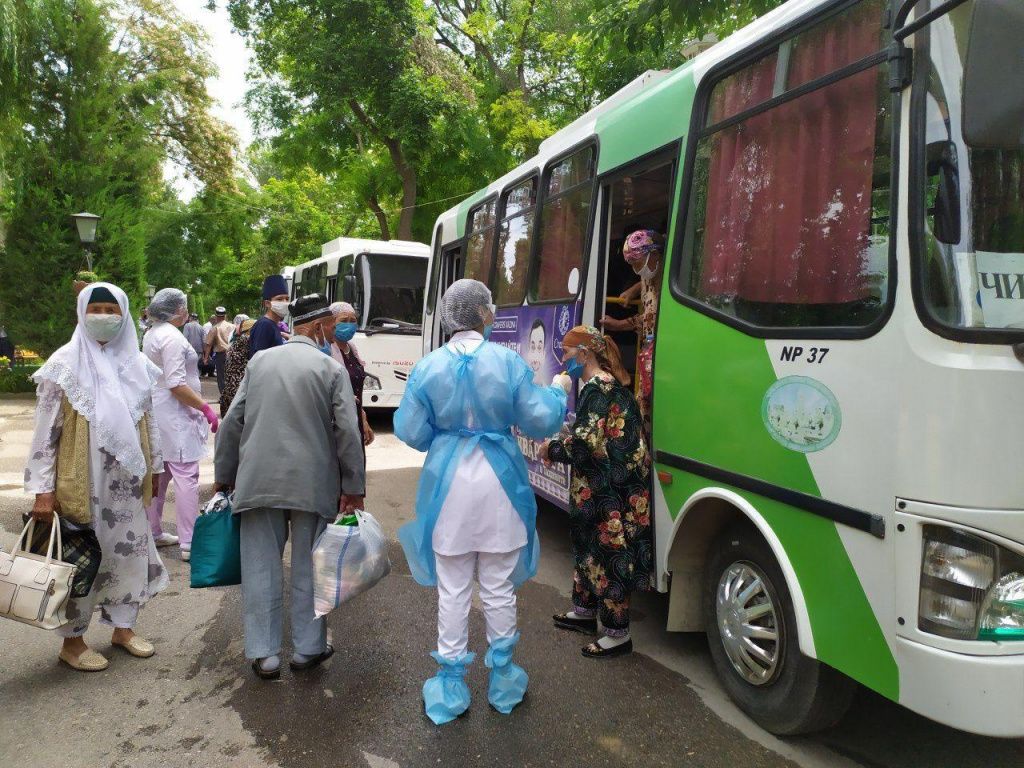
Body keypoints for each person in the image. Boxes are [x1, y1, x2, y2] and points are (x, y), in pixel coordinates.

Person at [394, 279, 569, 725]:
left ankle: (450, 687)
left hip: (448, 484)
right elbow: (541, 418)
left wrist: (448, 433)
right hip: (500, 484)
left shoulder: (428, 366)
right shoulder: (507, 361)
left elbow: (411, 431)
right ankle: (504, 680)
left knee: (452, 588)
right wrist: (560, 391)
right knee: (497, 585)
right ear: (484, 314)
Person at [214, 293, 365, 680]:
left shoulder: (260, 361)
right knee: (309, 565)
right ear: (316, 327)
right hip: (313, 482)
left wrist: (224, 474)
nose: (334, 333)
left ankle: (264, 655)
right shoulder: (330, 368)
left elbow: (232, 421)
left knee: (261, 565)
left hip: (258, 480)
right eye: (332, 326)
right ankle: (308, 649)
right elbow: (348, 430)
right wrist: (353, 487)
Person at [24, 283, 169, 672]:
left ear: (124, 315)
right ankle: (73, 643)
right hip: (82, 484)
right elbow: (44, 434)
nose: (103, 316)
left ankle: (123, 629)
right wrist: (43, 491)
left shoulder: (137, 364)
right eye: (95, 308)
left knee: (128, 555)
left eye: (111, 309)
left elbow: (149, 421)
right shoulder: (65, 365)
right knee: (82, 559)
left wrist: (155, 470)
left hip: (125, 486)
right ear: (81, 312)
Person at [539, 326, 653, 659]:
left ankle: (618, 634)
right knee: (588, 545)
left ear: (585, 354)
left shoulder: (599, 389)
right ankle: (584, 613)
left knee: (610, 553)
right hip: (600, 485)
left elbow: (585, 443)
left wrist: (552, 449)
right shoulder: (599, 387)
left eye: (567, 352)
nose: (563, 359)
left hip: (611, 490)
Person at [142, 289, 220, 561]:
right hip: (176, 415)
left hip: (161, 411)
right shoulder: (172, 338)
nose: (186, 311)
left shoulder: (153, 333)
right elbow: (176, 383)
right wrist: (205, 407)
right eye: (184, 307)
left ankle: (153, 531)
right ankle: (189, 541)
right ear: (178, 310)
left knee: (161, 475)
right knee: (187, 477)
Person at [599, 230, 665, 432]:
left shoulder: (669, 283)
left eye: (638, 263)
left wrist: (618, 325)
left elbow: (649, 320)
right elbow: (645, 281)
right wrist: (635, 288)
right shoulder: (648, 279)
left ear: (655, 254)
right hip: (647, 359)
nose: (637, 270)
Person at [326, 301, 374, 448]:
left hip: (355, 418)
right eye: (343, 321)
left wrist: (363, 420)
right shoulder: (326, 350)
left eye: (353, 321)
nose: (349, 325)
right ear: (332, 323)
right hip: (337, 422)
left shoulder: (352, 348)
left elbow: (357, 390)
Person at [219, 317, 255, 417]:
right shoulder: (246, 340)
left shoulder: (237, 341)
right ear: (250, 330)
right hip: (237, 385)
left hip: (230, 385)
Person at [249, 275, 289, 359]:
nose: (285, 302)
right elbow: (259, 359)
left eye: (287, 299)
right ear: (267, 303)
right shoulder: (264, 325)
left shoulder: (273, 324)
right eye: (279, 299)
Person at [203, 307, 232, 393]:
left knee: (221, 375)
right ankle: (232, 393)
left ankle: (224, 395)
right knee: (231, 373)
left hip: (221, 354)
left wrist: (205, 358)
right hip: (233, 353)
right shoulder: (233, 326)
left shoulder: (214, 328)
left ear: (216, 316)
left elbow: (208, 344)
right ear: (225, 315)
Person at [526, 319, 547, 385]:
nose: (535, 359)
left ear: (544, 354)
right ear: (528, 353)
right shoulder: (517, 391)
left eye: (539, 348)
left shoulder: (549, 394)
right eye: (532, 348)